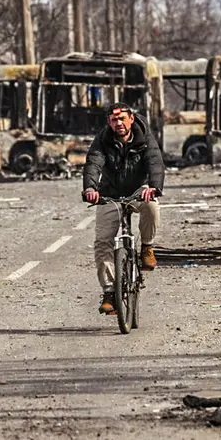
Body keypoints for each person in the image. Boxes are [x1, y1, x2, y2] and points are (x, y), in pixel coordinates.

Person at [82, 103, 165, 314]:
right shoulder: (103, 140)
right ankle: (110, 292)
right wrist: (91, 188)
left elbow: (154, 162)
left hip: (139, 190)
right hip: (110, 192)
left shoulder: (144, 137)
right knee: (102, 242)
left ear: (131, 119)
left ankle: (147, 247)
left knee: (152, 206)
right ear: (109, 122)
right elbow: (93, 163)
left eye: (121, 119)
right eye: (113, 120)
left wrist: (154, 187)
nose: (118, 124)